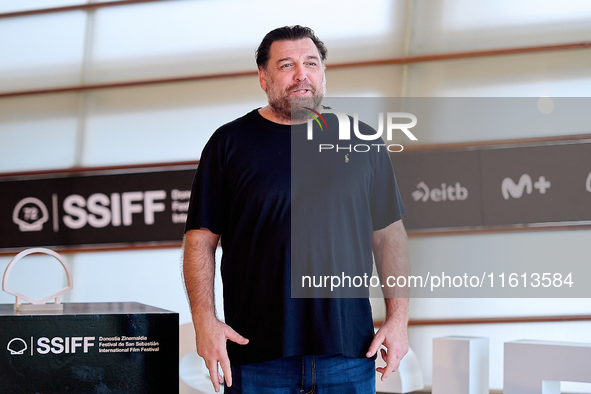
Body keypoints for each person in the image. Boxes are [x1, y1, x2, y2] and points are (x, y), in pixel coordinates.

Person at [182, 25, 409, 393]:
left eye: (311, 63)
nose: (301, 74)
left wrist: (399, 319)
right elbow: (200, 241)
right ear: (263, 77)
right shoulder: (229, 144)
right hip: (257, 357)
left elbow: (388, 237)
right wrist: (204, 322)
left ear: (323, 73)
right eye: (286, 64)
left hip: (349, 354)